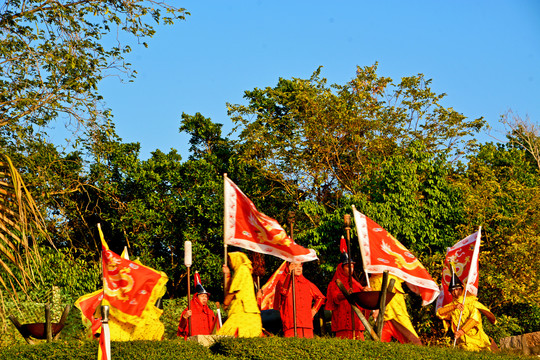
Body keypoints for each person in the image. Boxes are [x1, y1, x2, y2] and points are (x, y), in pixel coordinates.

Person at [436, 274, 497, 351]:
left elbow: (475, 319)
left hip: (478, 340)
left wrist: (462, 331)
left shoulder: (471, 302)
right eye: (453, 290)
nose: (455, 292)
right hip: (462, 342)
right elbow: (439, 313)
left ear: (462, 289)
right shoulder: (451, 306)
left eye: (457, 289)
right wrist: (454, 307)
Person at [217, 252, 262, 337]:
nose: (230, 263)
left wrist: (226, 303)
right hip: (245, 311)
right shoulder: (241, 271)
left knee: (224, 335)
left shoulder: (242, 269)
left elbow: (234, 290)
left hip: (243, 310)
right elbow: (231, 287)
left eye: (230, 260)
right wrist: (227, 274)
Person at [275, 262, 325, 338]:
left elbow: (321, 297)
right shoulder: (282, 281)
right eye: (295, 265)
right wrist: (289, 274)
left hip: (307, 324)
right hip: (291, 323)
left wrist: (313, 311)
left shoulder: (307, 283)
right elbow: (284, 291)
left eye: (300, 266)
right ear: (288, 267)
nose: (298, 268)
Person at [326, 255, 370, 339]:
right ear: (341, 268)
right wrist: (345, 294)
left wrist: (366, 292)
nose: (351, 269)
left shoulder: (356, 284)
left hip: (357, 324)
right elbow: (335, 298)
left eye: (352, 266)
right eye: (348, 267)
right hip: (342, 325)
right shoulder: (333, 284)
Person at [371, 273, 423, 345]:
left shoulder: (392, 275)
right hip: (383, 317)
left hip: (396, 312)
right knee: (378, 343)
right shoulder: (371, 279)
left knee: (412, 340)